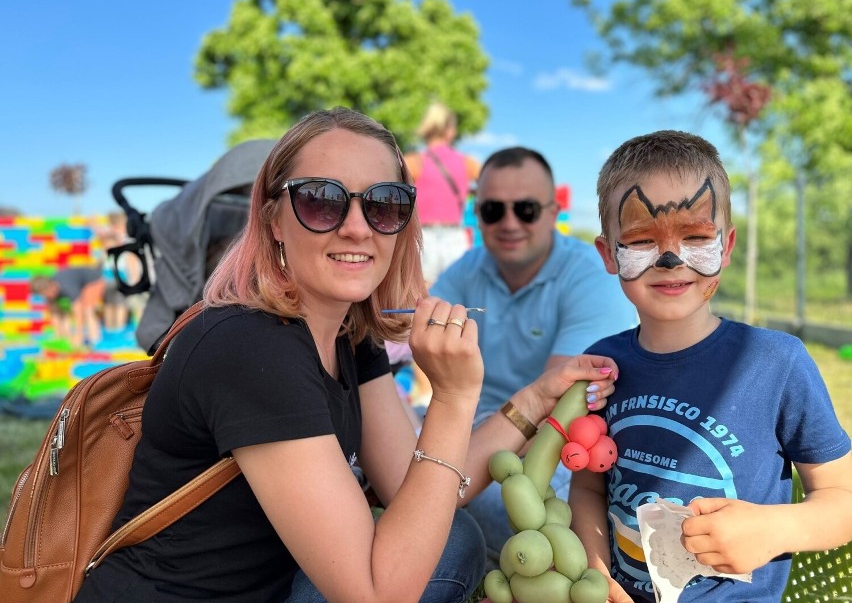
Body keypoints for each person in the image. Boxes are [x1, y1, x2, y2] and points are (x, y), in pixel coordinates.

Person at [73, 107, 619, 603]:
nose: (357, 226)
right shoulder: (248, 346)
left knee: (450, 537)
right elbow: (377, 594)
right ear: (272, 220)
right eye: (321, 200)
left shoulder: (349, 334)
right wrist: (453, 398)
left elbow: (422, 487)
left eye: (384, 204)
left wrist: (535, 398)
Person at [568, 130, 852, 602]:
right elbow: (589, 491)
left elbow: (843, 501)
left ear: (726, 245)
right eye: (641, 240)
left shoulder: (778, 364)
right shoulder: (602, 366)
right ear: (607, 255)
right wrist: (598, 574)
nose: (670, 257)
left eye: (696, 236)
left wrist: (773, 529)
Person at [429, 146, 638, 566]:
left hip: (553, 443)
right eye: (492, 210)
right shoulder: (468, 269)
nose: (508, 223)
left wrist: (444, 475)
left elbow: (554, 411)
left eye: (524, 209)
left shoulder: (586, 276)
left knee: (486, 501)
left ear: (552, 211)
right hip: (477, 428)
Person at [404, 102, 480, 285]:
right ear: (449, 130)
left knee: (423, 298)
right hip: (455, 236)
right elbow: (495, 185)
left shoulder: (414, 162)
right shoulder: (468, 163)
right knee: (457, 301)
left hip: (424, 237)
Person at [31, 266, 105, 349]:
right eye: (44, 295)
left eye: (47, 294)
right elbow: (55, 315)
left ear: (51, 287)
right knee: (60, 313)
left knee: (87, 310)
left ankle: (96, 342)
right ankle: (64, 339)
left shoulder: (67, 287)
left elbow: (78, 313)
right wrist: (60, 339)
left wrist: (78, 335)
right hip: (77, 281)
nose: (48, 297)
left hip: (93, 279)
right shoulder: (49, 290)